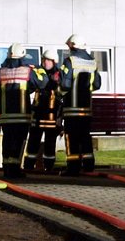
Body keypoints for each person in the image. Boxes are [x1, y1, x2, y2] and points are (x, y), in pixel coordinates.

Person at [0, 44, 48, 179]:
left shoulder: (1, 72)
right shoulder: (27, 71)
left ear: (9, 55)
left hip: (5, 116)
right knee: (19, 142)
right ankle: (14, 170)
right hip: (21, 116)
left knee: (7, 141)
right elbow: (42, 83)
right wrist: (40, 70)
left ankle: (7, 169)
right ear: (22, 56)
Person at [59, 34, 101, 176]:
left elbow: (65, 84)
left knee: (72, 138)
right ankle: (89, 165)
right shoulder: (92, 62)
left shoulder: (70, 61)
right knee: (85, 136)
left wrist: (59, 91)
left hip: (72, 109)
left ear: (72, 46)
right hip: (86, 109)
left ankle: (73, 167)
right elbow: (97, 84)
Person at [23, 48, 62, 172]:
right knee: (33, 143)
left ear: (54, 61)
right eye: (44, 60)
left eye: (48, 60)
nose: (45, 62)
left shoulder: (60, 75)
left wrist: (60, 118)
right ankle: (28, 166)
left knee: (50, 145)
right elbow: (30, 88)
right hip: (38, 115)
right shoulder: (38, 72)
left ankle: (49, 167)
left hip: (52, 117)